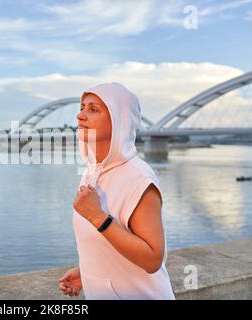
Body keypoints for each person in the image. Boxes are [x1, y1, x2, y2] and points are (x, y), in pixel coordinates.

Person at [58, 83, 175, 300]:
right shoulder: (92, 172)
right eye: (82, 107)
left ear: (119, 120)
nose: (80, 115)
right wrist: (88, 272)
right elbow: (109, 242)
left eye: (93, 109)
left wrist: (97, 216)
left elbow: (152, 259)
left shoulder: (139, 178)